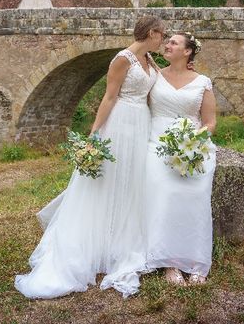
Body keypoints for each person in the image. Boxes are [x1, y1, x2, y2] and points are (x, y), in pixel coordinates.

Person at [15, 16, 166, 299]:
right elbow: (109, 98)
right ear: (151, 32)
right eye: (162, 35)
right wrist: (94, 135)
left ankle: (123, 239)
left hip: (142, 124)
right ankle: (95, 243)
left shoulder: (150, 60)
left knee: (133, 181)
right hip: (121, 123)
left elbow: (158, 88)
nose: (164, 40)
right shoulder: (122, 59)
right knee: (109, 181)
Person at [144, 32, 217, 285]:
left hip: (192, 147)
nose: (167, 44)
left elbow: (210, 123)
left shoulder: (202, 82)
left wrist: (192, 143)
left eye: (174, 42)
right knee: (166, 193)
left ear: (187, 51)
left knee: (195, 197)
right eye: (168, 41)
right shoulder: (153, 76)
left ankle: (196, 262)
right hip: (156, 145)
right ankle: (170, 263)